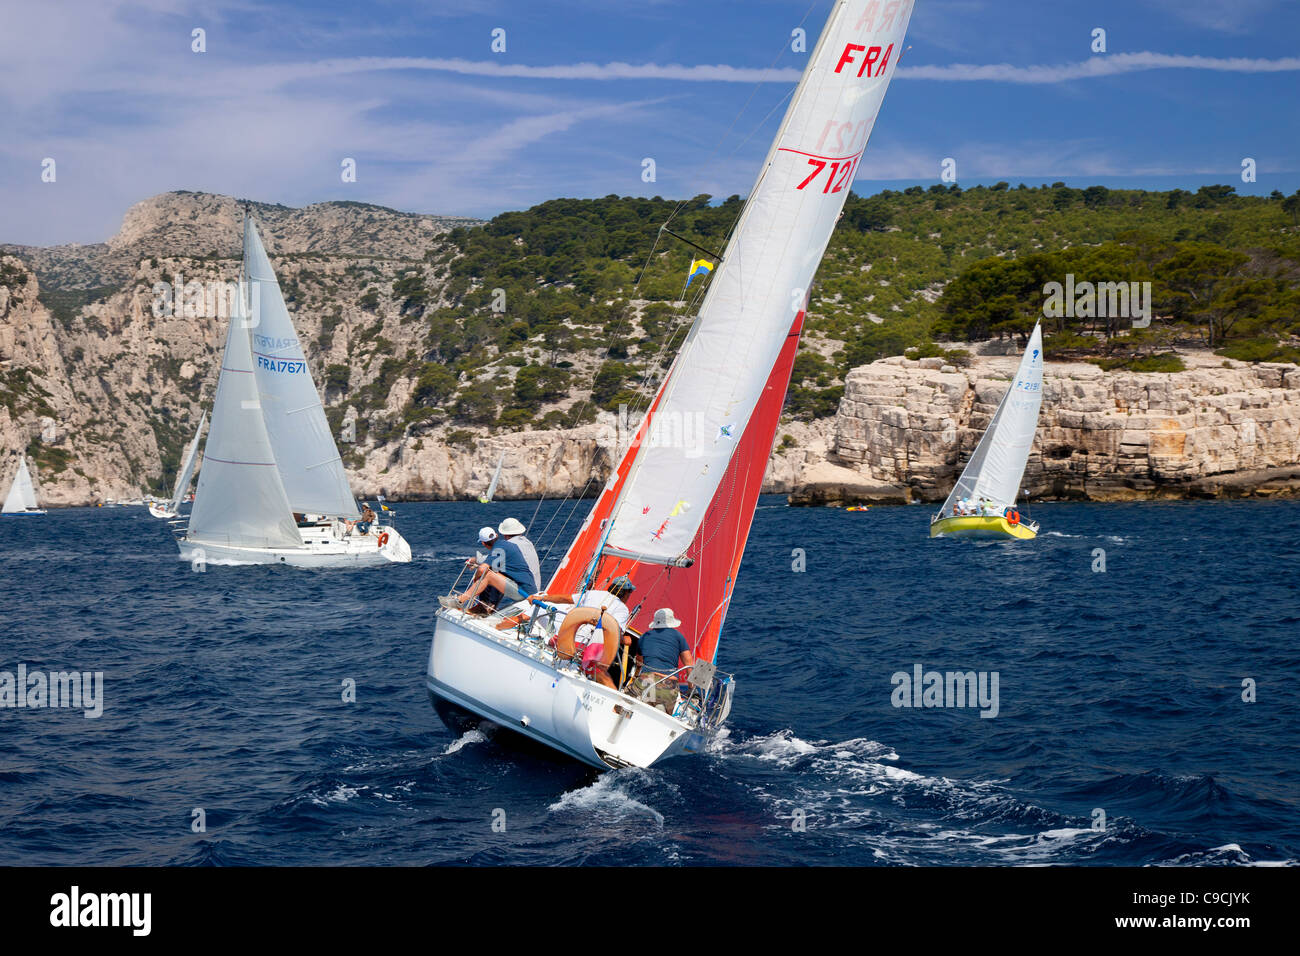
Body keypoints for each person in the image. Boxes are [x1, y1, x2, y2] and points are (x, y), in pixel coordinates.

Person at [523, 576, 634, 690]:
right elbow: (613, 632)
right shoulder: (622, 609)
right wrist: (625, 640)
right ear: (626, 593)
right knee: (602, 674)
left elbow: (565, 598)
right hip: (584, 650)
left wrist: (543, 598)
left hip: (561, 640)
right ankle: (615, 705)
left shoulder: (592, 594)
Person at [448, 520, 537, 611]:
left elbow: (483, 568)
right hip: (531, 589)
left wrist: (477, 579)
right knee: (491, 572)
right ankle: (486, 606)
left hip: (525, 593)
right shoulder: (525, 544)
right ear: (497, 535)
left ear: (483, 543)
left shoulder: (501, 547)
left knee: (488, 574)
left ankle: (461, 601)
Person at [628, 607, 694, 713]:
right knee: (665, 707)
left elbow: (639, 662)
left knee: (621, 704)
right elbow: (689, 662)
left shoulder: (645, 636)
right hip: (669, 686)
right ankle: (660, 705)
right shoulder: (678, 636)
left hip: (645, 683)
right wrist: (691, 688)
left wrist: (636, 677)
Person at [498, 517, 541, 594]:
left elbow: (493, 561)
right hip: (536, 589)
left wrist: (475, 560)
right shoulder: (528, 543)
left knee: (491, 574)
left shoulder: (509, 544)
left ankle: (487, 605)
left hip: (525, 592)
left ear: (504, 534)